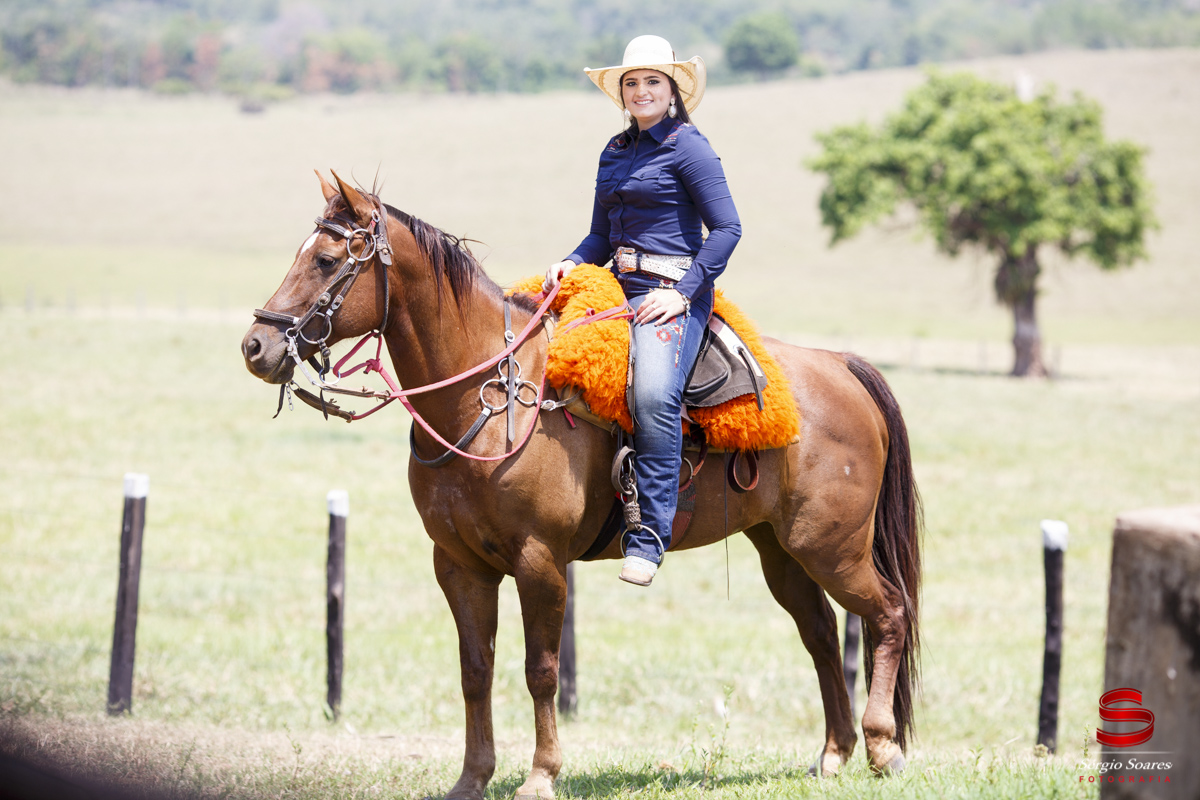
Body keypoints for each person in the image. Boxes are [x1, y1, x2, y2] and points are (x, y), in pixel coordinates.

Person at [546, 35, 742, 587]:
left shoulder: (690, 148)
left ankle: (649, 534)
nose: (641, 91)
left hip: (674, 292)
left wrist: (682, 292)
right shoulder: (614, 151)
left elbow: (728, 230)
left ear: (673, 90)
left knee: (654, 391)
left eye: (652, 81)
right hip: (617, 286)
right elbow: (599, 236)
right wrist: (569, 261)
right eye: (631, 83)